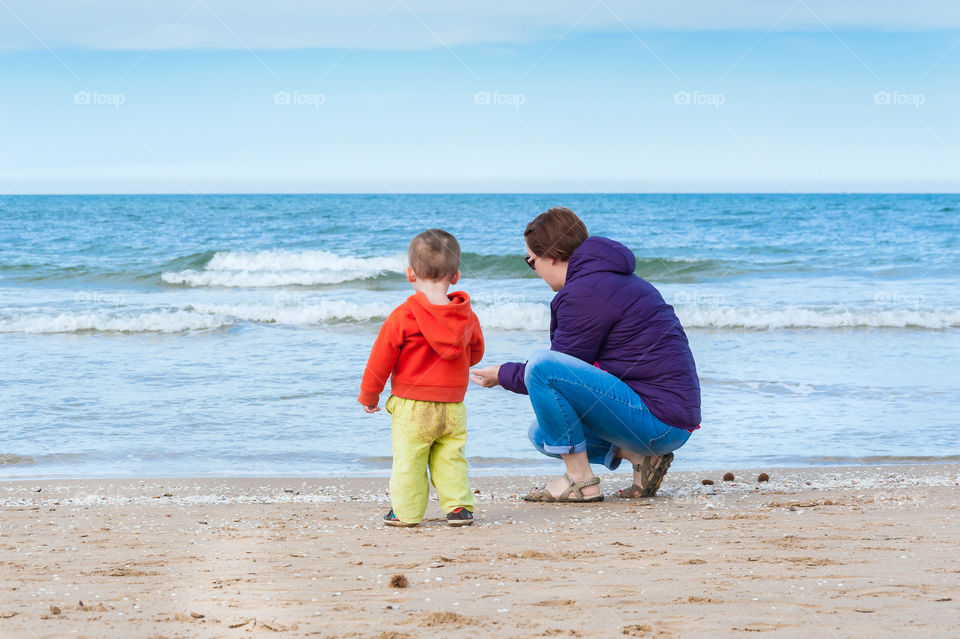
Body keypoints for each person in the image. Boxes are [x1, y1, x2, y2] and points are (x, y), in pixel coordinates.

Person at [471, 207, 701, 502]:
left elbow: (556, 369)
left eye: (531, 261)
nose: (535, 270)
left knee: (541, 366)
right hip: (666, 420)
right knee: (543, 434)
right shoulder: (611, 278)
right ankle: (640, 457)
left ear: (550, 256)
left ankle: (580, 481)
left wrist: (503, 374)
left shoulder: (585, 292)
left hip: (659, 421)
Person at [359, 229, 484, 526]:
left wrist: (369, 395)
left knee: (409, 460)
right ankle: (458, 509)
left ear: (410, 274)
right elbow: (476, 353)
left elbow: (381, 359)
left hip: (412, 406)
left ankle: (406, 512)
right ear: (455, 276)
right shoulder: (466, 316)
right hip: (453, 406)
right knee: (450, 456)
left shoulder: (403, 315)